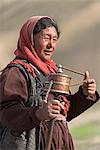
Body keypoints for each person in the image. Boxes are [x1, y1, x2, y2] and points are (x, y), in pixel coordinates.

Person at [0, 16, 99, 150]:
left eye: (54, 39)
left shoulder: (51, 71)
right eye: (46, 38)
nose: (51, 45)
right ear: (30, 39)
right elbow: (6, 113)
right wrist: (38, 114)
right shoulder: (16, 72)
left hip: (58, 143)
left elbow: (63, 114)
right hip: (30, 144)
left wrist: (85, 94)